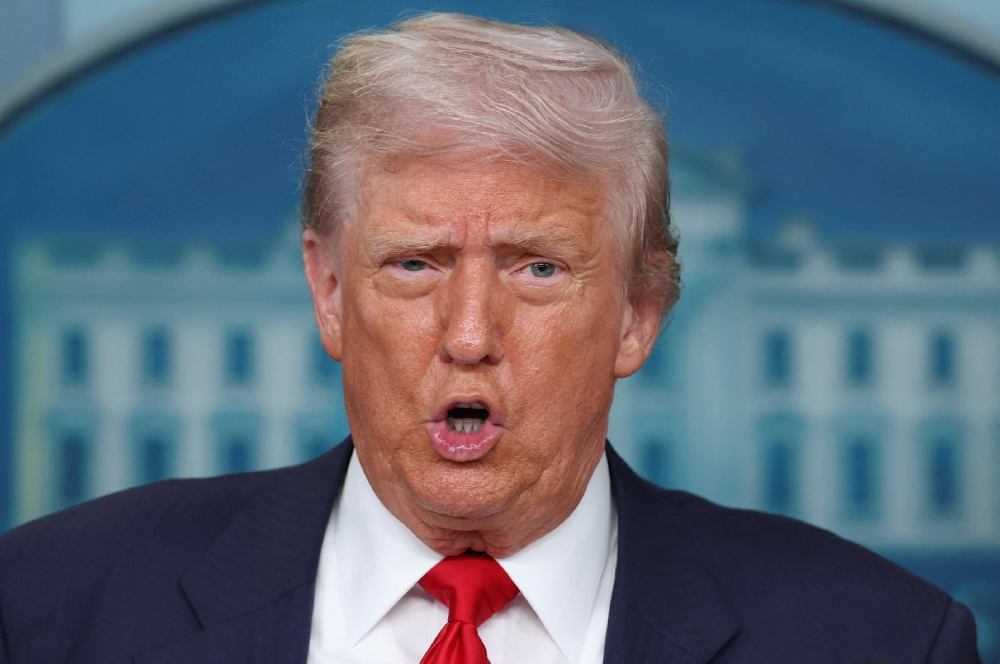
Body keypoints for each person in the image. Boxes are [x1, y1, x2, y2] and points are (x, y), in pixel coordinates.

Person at [0, 12, 981, 664]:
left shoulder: (876, 639)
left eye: (537, 268)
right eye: (415, 263)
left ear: (638, 313)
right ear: (330, 290)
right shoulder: (49, 609)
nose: (469, 335)